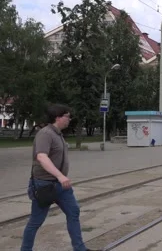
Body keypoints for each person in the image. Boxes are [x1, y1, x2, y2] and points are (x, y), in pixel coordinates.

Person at [21, 104, 96, 251]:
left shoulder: (58, 134)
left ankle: (80, 248)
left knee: (73, 211)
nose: (69, 119)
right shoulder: (45, 134)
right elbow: (41, 157)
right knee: (36, 221)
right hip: (44, 185)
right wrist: (60, 176)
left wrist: (61, 178)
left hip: (60, 185)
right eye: (67, 116)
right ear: (58, 117)